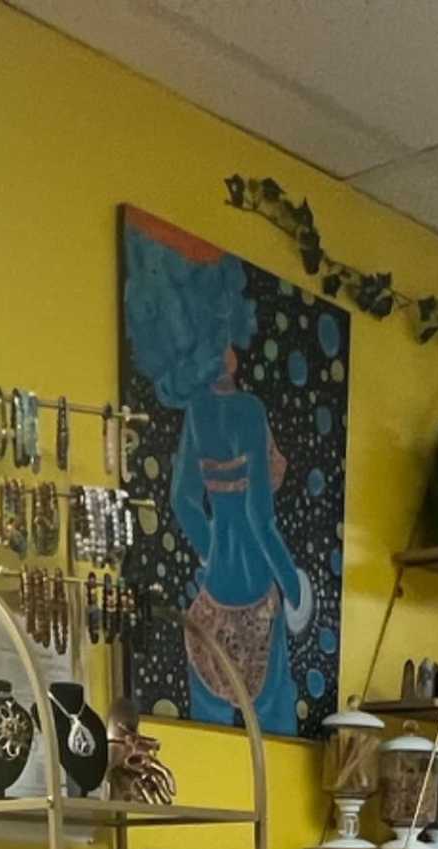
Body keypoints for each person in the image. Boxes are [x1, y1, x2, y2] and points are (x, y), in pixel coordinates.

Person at [125, 225, 313, 735]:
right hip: (256, 584)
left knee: (206, 725)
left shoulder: (199, 413)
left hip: (212, 594)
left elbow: (184, 500)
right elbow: (259, 515)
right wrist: (293, 585)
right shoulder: (248, 410)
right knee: (273, 725)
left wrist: (211, 551)